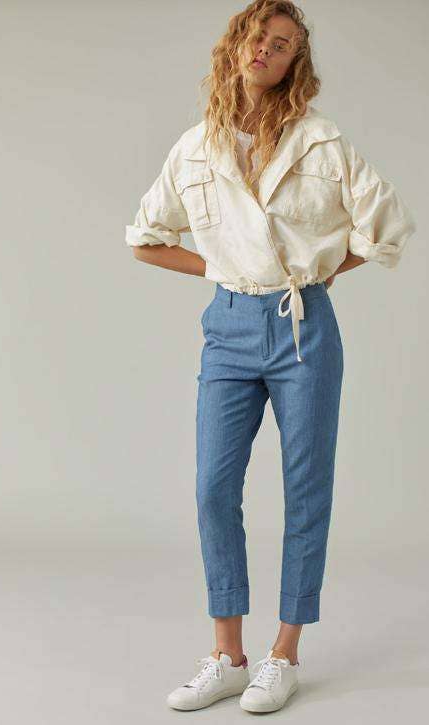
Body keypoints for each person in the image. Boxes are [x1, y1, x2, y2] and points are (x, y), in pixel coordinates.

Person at [125, 0, 416, 714]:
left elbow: (387, 226)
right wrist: (220, 269)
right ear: (236, 47)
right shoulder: (195, 146)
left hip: (301, 326)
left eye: (281, 44)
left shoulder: (321, 141)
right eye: (258, 37)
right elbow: (144, 237)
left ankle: (283, 653)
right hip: (227, 326)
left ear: (294, 64)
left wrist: (316, 272)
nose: (265, 49)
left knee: (305, 489)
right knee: (212, 488)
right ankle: (227, 655)